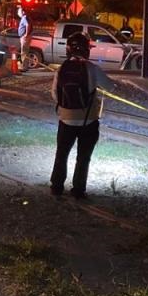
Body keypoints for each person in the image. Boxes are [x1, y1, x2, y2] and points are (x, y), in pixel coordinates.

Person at [49, 32, 114, 199]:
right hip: (88, 121)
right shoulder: (92, 68)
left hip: (66, 120)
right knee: (83, 157)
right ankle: (78, 190)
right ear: (86, 49)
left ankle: (56, 186)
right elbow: (110, 87)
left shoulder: (62, 69)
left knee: (61, 154)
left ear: (68, 49)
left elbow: (55, 95)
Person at [17, 5, 33, 70]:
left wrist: (26, 34)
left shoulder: (24, 18)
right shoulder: (26, 17)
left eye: (19, 12)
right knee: (25, 52)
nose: (18, 13)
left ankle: (24, 67)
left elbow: (27, 25)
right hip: (25, 36)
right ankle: (25, 66)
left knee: (24, 52)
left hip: (24, 37)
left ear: (22, 12)